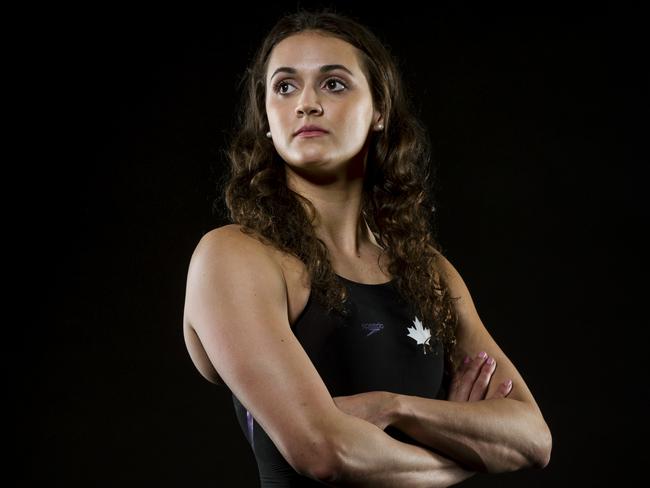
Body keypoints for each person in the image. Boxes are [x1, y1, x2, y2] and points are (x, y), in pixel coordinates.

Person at [182, 9, 552, 487]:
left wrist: (393, 408)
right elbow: (325, 452)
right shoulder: (235, 257)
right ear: (268, 123)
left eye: (333, 84)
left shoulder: (427, 270)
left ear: (379, 111)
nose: (306, 103)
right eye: (285, 87)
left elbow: (533, 437)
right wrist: (464, 454)